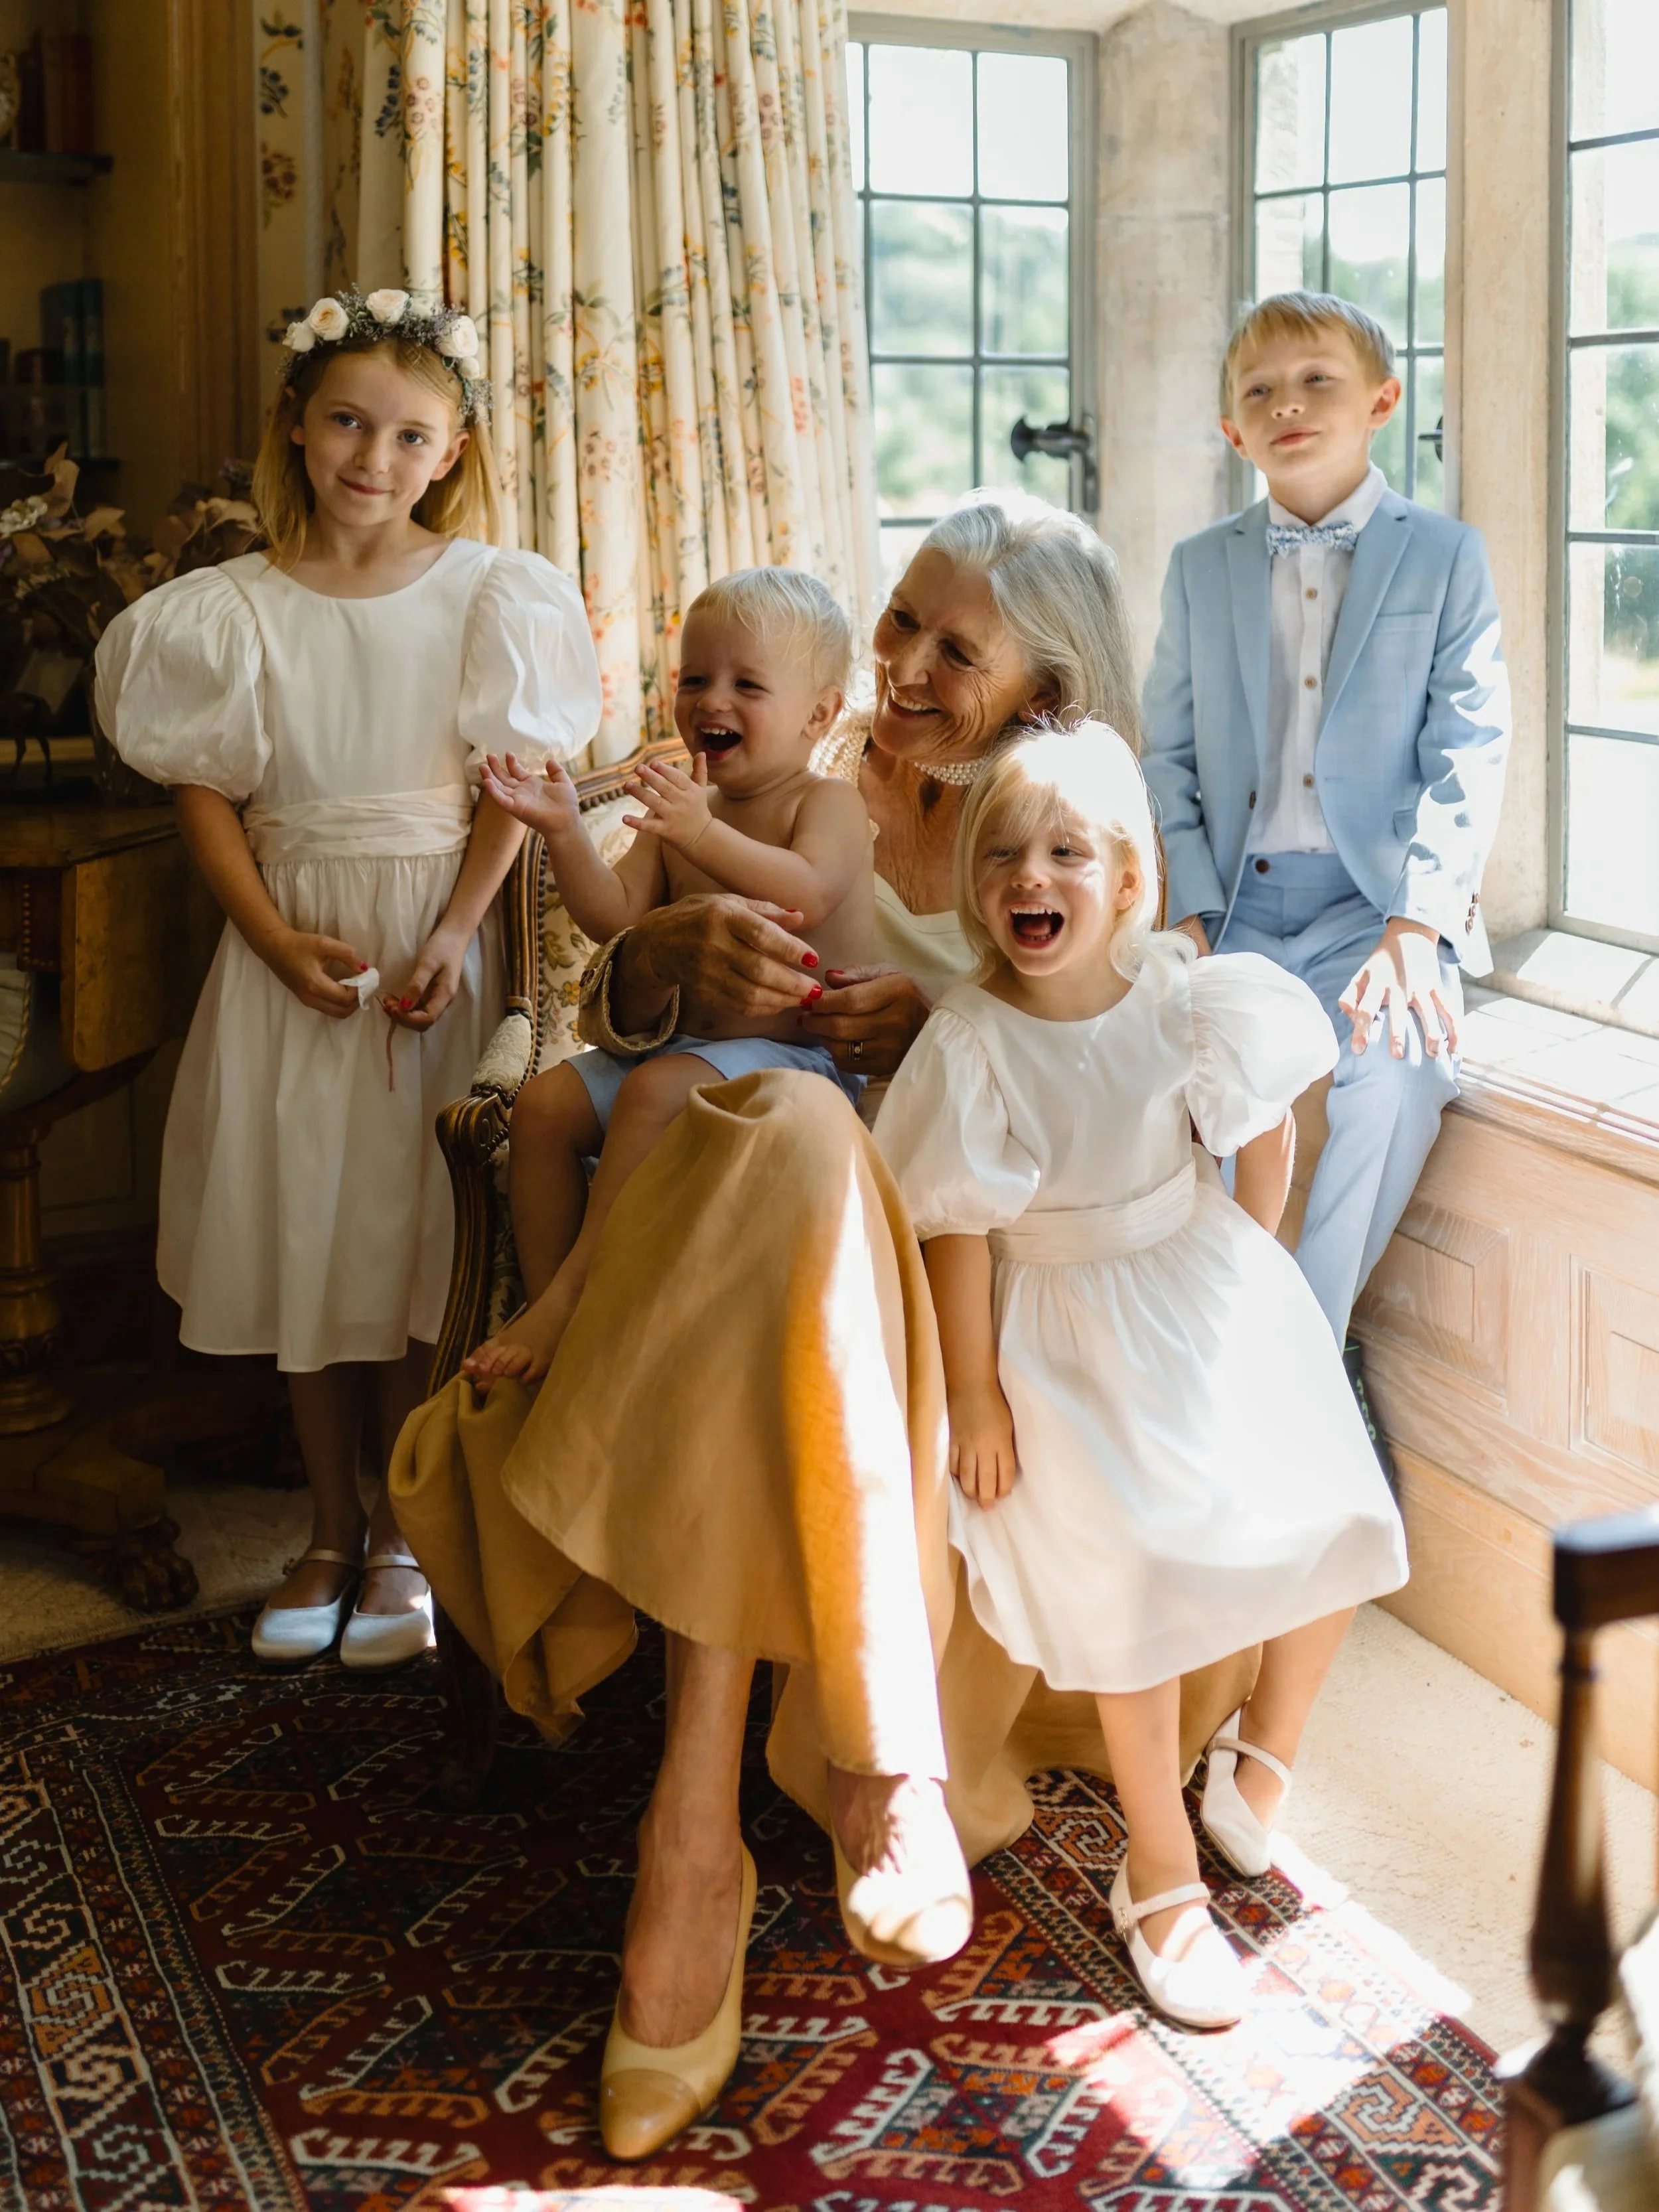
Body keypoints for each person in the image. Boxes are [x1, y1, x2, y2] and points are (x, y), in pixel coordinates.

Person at [394, 492, 1250, 2159]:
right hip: (750, 1215)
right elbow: (612, 1003)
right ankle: (844, 1770)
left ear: (1047, 686)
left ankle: (700, 1829)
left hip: (948, 1284)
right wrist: (675, 970)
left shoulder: (1065, 832)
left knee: (794, 1162)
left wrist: (943, 1012)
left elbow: (1150, 1030)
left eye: (954, 643)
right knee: (774, 1144)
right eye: (901, 621)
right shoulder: (802, 778)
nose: (906, 662)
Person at [94, 286, 601, 1671]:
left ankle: (400, 1535)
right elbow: (209, 793)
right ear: (299, 430)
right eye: (347, 424)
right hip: (290, 943)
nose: (374, 457)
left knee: (401, 1241)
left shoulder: (489, 589)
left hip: (425, 940)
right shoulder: (231, 610)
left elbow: (513, 789)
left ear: (450, 451)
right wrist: (263, 937)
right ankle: (323, 1526)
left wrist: (452, 933)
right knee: (303, 1238)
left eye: (409, 435)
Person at [875, 721, 1407, 2028]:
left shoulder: (1181, 998)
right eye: (1001, 855)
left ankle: (1258, 1766)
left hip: (1197, 1278)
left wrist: (1262, 1260)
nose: (1026, 876)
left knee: (1341, 1513)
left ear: (1125, 881)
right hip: (1060, 1319)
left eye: (1063, 851)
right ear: (975, 890)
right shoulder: (973, 1040)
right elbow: (952, 1222)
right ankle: (1155, 1871)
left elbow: (1263, 1123)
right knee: (1130, 1576)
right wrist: (976, 1390)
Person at [1141, 290, 1511, 1465]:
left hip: (1376, 908)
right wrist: (1192, 913)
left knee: (1398, 1072)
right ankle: (1183, 1358)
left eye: (1318, 383)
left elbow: (1469, 745)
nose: (1288, 406)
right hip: (1238, 905)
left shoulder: (1446, 555)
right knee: (1177, 1078)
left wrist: (1419, 923)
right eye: (1260, 392)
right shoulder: (1201, 567)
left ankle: (1301, 1342)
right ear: (1230, 428)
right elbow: (1169, 750)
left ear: (1382, 404)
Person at [463, 567, 873, 1388]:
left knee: (654, 1093)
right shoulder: (692, 806)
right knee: (543, 1108)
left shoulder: (825, 803)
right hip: (675, 1051)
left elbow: (805, 891)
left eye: (746, 684)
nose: (710, 700)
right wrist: (567, 833)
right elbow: (617, 919)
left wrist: (700, 832)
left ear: (818, 715)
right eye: (695, 679)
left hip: (795, 1067)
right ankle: (556, 1321)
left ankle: (576, 1291)